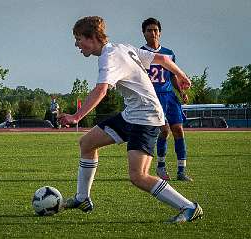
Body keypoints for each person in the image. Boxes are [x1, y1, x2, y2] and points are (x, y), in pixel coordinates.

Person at [58, 16, 202, 223]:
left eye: (78, 39)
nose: (76, 45)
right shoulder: (124, 47)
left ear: (91, 38)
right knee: (87, 143)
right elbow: (162, 59)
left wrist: (76, 117)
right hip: (132, 114)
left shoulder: (108, 57)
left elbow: (101, 89)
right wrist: (182, 75)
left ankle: (188, 207)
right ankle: (83, 198)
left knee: (138, 176)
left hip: (146, 117)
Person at [141, 18, 192, 181]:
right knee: (164, 130)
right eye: (149, 30)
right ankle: (161, 167)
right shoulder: (140, 53)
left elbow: (172, 75)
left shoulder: (169, 53)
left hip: (169, 96)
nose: (153, 33)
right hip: (153, 98)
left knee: (178, 129)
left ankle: (181, 170)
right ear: (144, 33)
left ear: (160, 32)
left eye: (155, 30)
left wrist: (181, 92)